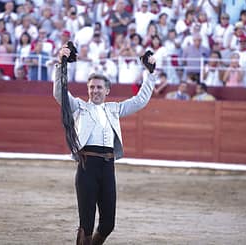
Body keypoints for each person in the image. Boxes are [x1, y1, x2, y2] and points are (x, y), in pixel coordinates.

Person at [53, 43, 157, 244]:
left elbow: (140, 100)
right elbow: (59, 93)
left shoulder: (114, 109)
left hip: (108, 167)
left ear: (107, 90)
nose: (95, 91)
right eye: (91, 87)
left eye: (99, 87)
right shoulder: (79, 107)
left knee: (108, 223)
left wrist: (150, 74)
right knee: (87, 223)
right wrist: (60, 65)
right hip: (87, 167)